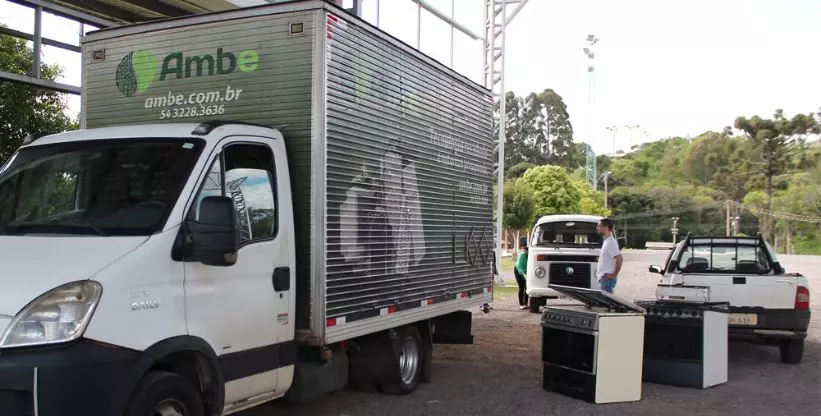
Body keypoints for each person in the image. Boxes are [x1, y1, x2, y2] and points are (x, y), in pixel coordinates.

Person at [596, 217, 623, 294]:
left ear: (606, 228)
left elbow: (620, 258)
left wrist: (614, 274)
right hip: (604, 279)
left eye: (599, 226)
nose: (597, 228)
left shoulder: (611, 242)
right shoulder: (606, 241)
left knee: (606, 303)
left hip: (607, 279)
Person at [514, 242, 529, 310]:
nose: (527, 252)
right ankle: (521, 304)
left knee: (527, 288)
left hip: (525, 271)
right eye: (527, 250)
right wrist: (524, 275)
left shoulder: (530, 255)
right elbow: (520, 267)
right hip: (518, 271)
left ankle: (525, 304)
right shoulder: (522, 255)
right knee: (521, 287)